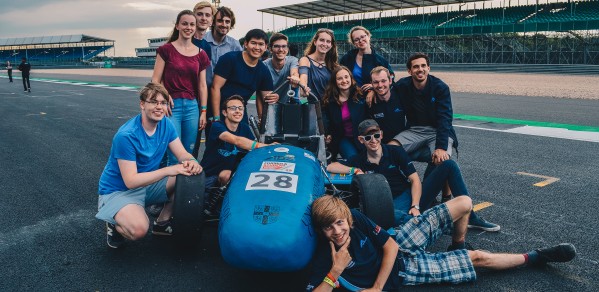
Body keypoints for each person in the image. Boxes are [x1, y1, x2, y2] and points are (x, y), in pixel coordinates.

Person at [306, 195, 577, 291]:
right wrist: (335, 272)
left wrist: (376, 288)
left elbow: (389, 246)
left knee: (465, 203)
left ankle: (457, 243)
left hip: (398, 244)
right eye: (328, 227)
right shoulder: (323, 253)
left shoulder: (354, 217)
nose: (337, 230)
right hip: (404, 272)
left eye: (340, 223)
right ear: (321, 230)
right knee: (478, 258)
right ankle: (536, 256)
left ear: (346, 218)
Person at [395, 53, 499, 231]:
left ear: (428, 68)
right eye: (415, 67)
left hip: (437, 131)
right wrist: (372, 91)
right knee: (389, 149)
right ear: (409, 70)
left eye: (423, 66)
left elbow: (445, 119)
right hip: (414, 130)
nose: (420, 69)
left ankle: (469, 215)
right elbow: (384, 90)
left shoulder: (440, 87)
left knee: (443, 159)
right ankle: (408, 196)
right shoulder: (402, 85)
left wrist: (441, 147)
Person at [96, 83, 203, 248]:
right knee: (138, 230)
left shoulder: (166, 125)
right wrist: (168, 169)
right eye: (154, 102)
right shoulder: (126, 136)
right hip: (119, 191)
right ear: (142, 104)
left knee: (185, 175)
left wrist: (192, 162)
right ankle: (114, 223)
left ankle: (161, 223)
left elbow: (182, 154)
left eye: (163, 102)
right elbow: (130, 181)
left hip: (147, 185)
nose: (159, 107)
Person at [328, 119, 481, 226]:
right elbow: (330, 166)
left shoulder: (395, 151)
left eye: (376, 135)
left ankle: (470, 217)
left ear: (381, 135)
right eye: (368, 137)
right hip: (387, 205)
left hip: (409, 196)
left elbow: (414, 180)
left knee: (449, 165)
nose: (373, 140)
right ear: (361, 140)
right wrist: (354, 170)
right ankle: (423, 222)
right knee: (373, 215)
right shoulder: (358, 159)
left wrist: (415, 206)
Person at [151, 10, 210, 166]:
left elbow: (203, 85)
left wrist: (203, 111)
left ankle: (185, 190)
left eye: (192, 24)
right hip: (171, 107)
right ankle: (169, 190)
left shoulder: (201, 54)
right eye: (184, 23)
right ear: (177, 26)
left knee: (189, 154)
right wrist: (164, 96)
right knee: (173, 154)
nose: (188, 27)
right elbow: (155, 80)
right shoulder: (166, 50)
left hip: (192, 108)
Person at [201, 95, 274, 188]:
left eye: (240, 108)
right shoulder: (216, 126)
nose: (237, 111)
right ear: (224, 112)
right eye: (233, 108)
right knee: (226, 175)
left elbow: (253, 150)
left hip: (233, 175)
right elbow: (237, 140)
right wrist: (265, 145)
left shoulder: (244, 128)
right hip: (210, 177)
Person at [210, 29, 277, 125]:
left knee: (247, 139)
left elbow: (266, 97)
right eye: (253, 43)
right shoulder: (229, 59)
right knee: (220, 138)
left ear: (266, 47)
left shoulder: (264, 70)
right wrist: (216, 118)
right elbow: (215, 88)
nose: (257, 47)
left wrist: (274, 97)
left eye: (261, 44)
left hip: (239, 111)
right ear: (246, 44)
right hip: (219, 108)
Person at [322, 66, 366, 160]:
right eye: (339, 78)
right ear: (335, 82)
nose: (344, 80)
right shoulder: (330, 102)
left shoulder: (361, 96)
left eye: (346, 77)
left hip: (363, 137)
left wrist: (372, 90)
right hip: (344, 139)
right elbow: (328, 121)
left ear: (351, 78)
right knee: (354, 160)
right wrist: (328, 134)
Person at [368, 66, 407, 144]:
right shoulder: (369, 102)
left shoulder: (401, 94)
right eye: (376, 82)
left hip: (403, 142)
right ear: (371, 84)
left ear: (390, 81)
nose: (380, 85)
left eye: (383, 81)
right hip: (381, 146)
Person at [299, 28, 339, 101]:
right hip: (313, 107)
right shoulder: (305, 60)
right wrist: (303, 87)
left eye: (328, 41)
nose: (324, 44)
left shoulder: (334, 65)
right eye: (321, 40)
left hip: (331, 106)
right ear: (315, 42)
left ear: (331, 45)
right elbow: (303, 76)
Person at [263, 33, 301, 103]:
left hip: (288, 102)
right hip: (270, 102)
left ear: (287, 49)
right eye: (277, 46)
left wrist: (295, 77)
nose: (281, 49)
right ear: (270, 49)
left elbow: (294, 73)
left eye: (284, 46)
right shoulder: (264, 65)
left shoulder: (292, 60)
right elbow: (260, 93)